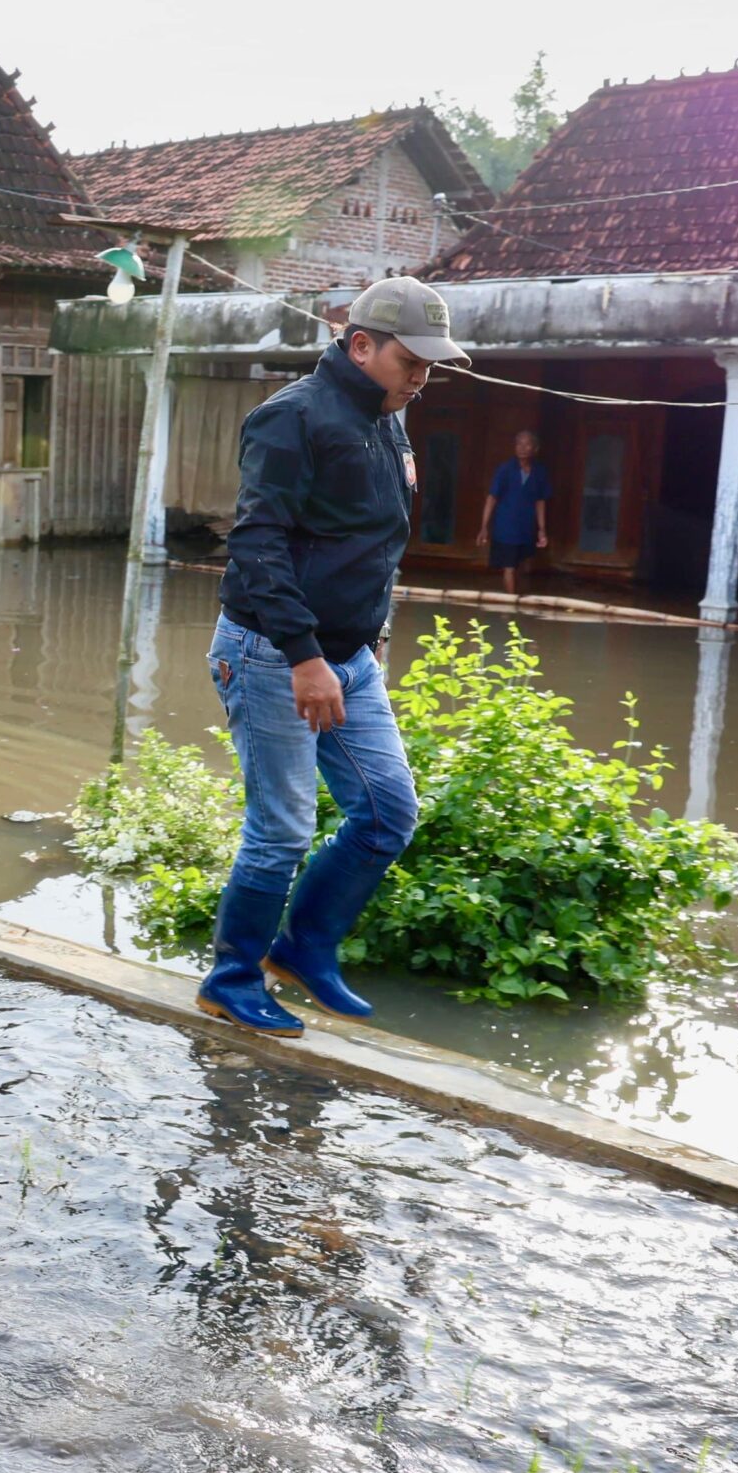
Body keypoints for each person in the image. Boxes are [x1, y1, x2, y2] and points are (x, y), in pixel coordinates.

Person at [202, 275, 459, 1036]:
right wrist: (305, 657)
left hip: (349, 655)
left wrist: (367, 640)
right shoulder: (292, 418)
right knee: (281, 827)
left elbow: (372, 543)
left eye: (431, 364)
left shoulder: (388, 417)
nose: (422, 376)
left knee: (387, 812)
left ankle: (304, 948)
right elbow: (256, 542)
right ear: (361, 345)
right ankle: (231, 978)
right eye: (411, 359)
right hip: (271, 652)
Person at [479, 429, 551, 594]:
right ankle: (511, 607)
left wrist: (541, 529)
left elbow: (540, 501)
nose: (522, 448)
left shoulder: (539, 472)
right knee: (509, 567)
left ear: (535, 448)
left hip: (526, 528)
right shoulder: (505, 470)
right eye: (519, 444)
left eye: (527, 444)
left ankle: (515, 598)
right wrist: (484, 526)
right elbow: (492, 498)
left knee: (520, 565)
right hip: (505, 527)